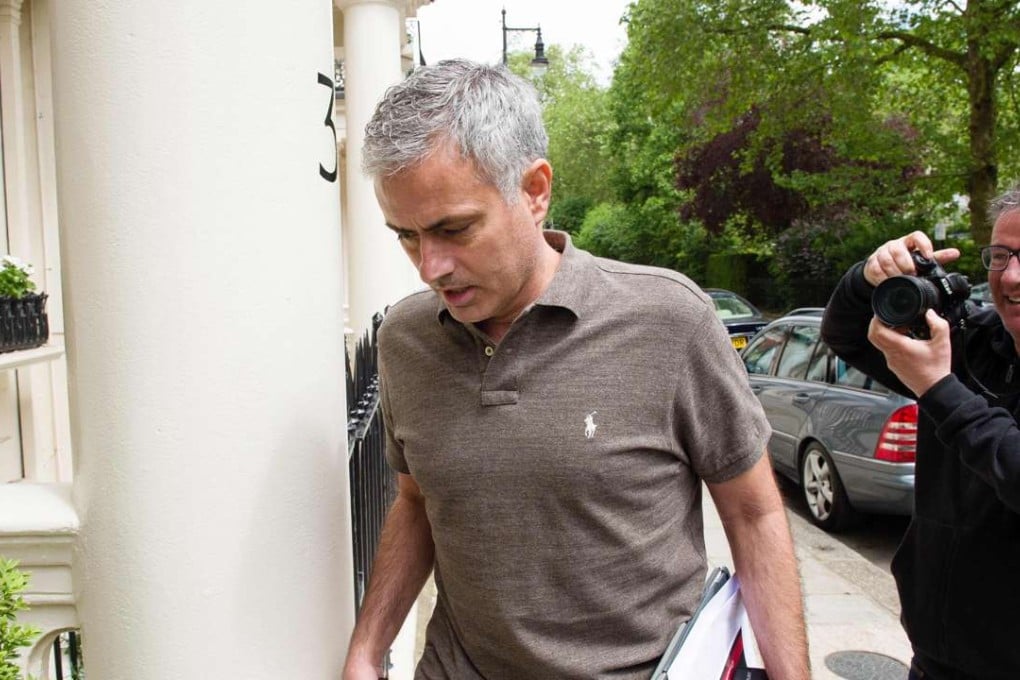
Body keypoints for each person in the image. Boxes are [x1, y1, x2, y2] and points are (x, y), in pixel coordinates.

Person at [342, 59, 808, 680]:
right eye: (405, 235)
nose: (430, 266)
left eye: (454, 229)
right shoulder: (405, 339)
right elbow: (416, 500)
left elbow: (754, 513)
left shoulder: (669, 320)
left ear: (535, 191)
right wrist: (367, 649)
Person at [821, 183, 1020, 680]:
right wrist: (868, 278)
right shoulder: (971, 345)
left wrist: (938, 388)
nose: (1012, 277)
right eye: (1001, 256)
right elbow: (843, 334)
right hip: (933, 658)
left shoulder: (946, 371)